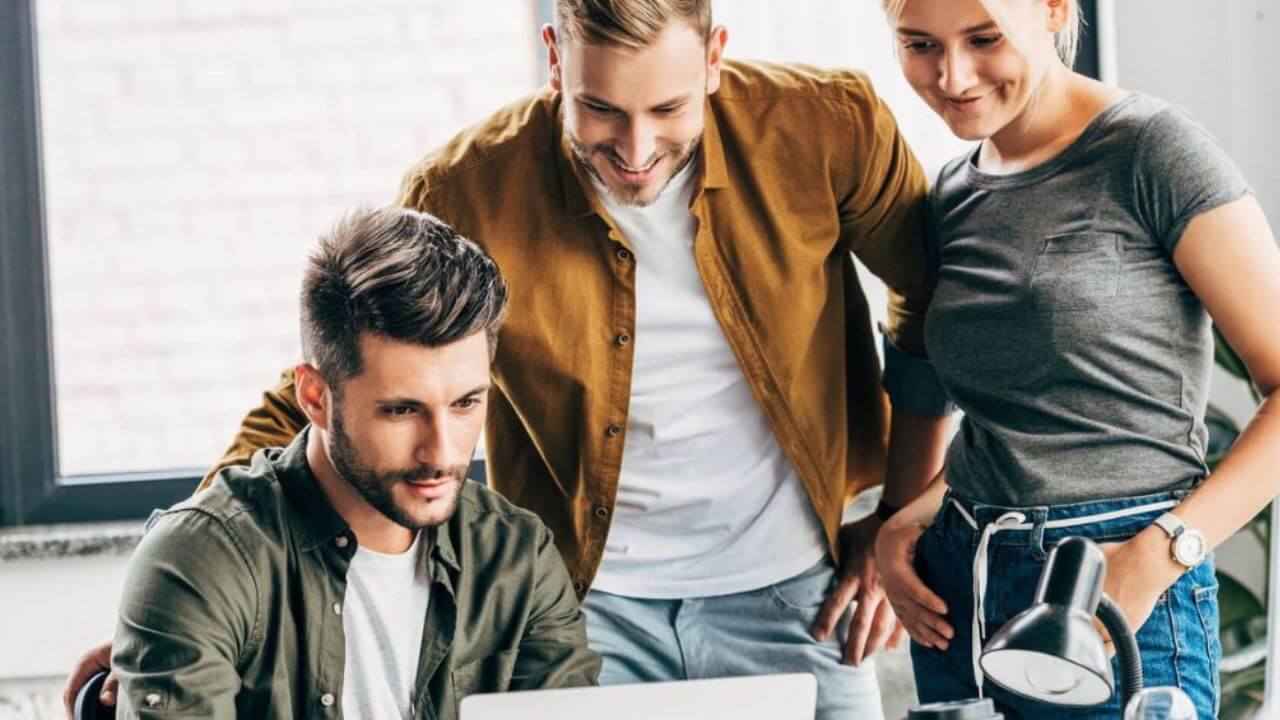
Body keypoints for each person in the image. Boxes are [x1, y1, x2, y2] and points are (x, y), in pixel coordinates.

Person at [66, 2, 956, 717]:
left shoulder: (829, 126)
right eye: (600, 108)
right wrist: (169, 592)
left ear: (715, 56)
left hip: (795, 588)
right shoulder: (465, 187)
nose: (636, 151)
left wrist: (899, 517)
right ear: (555, 59)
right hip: (582, 603)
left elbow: (934, 311)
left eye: (669, 110)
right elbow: (341, 381)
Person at [871, 1, 1280, 718]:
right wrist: (908, 520)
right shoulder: (953, 190)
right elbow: (1016, 417)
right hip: (955, 592)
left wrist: (1160, 556)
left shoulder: (1152, 150)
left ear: (1056, 8)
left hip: (1116, 593)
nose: (952, 75)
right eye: (919, 44)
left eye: (983, 38)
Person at [106, 207, 600, 719]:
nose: (444, 453)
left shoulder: (517, 556)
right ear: (316, 397)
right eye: (402, 410)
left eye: (465, 404)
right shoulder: (204, 564)